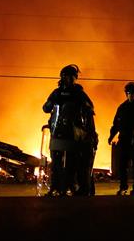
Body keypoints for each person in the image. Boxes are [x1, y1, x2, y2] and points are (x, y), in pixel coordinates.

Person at [42, 64, 98, 196]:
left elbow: (90, 110)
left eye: (73, 77)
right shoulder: (56, 93)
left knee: (71, 162)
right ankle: (55, 187)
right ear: (62, 77)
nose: (70, 79)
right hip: (57, 132)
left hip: (73, 133)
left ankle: (70, 186)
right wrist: (50, 104)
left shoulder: (79, 93)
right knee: (55, 162)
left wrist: (88, 130)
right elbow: (46, 108)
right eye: (68, 76)